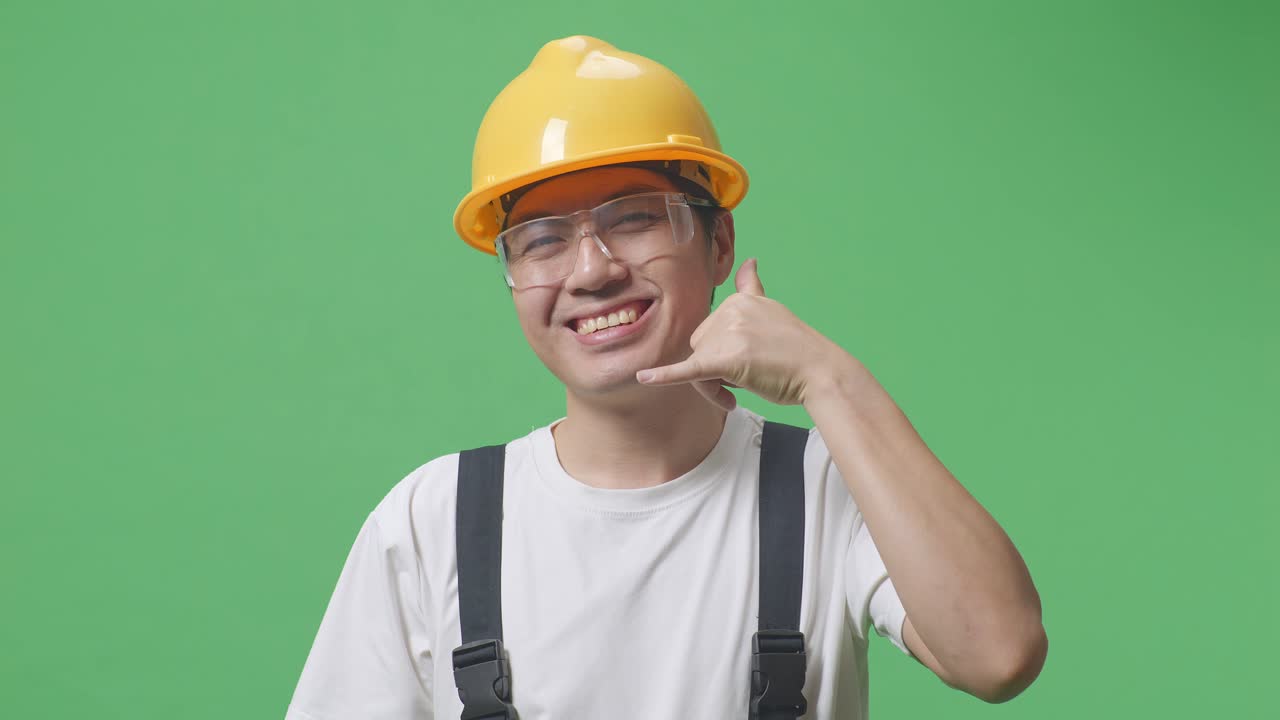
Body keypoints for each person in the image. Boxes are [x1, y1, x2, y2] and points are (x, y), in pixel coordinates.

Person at [285, 35, 1047, 720]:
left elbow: (998, 656)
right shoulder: (431, 522)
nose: (591, 270)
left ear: (719, 244)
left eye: (634, 218)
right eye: (542, 240)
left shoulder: (827, 487)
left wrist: (827, 377)